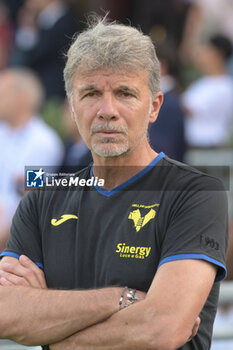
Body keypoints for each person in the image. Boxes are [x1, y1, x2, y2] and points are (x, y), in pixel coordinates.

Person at [0, 16, 228, 350]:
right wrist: (120, 300)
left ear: (154, 106)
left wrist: (57, 331)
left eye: (125, 93)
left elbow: (163, 328)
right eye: (91, 93)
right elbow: (6, 312)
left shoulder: (194, 193)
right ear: (72, 106)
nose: (108, 110)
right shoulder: (43, 199)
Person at [0, 68, 64, 252]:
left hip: (15, 246)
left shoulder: (43, 143)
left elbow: (27, 203)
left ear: (20, 99)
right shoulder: (3, 133)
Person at [182, 34, 233, 148]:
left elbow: (190, 109)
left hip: (209, 146)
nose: (201, 55)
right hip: (193, 144)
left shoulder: (225, 85)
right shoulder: (203, 81)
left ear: (218, 54)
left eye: (207, 51)